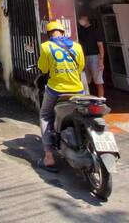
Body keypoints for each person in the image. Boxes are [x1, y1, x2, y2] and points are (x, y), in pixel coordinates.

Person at [37, 19, 85, 172]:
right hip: (77, 89)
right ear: (63, 32)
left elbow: (43, 69)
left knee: (45, 115)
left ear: (49, 34)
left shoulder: (46, 47)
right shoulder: (77, 46)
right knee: (80, 113)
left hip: (56, 89)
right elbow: (81, 67)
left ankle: (49, 155)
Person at [77, 13, 105, 98]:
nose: (80, 20)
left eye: (82, 18)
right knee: (85, 81)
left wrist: (101, 61)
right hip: (83, 57)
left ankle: (101, 100)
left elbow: (100, 46)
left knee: (98, 81)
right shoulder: (80, 31)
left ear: (86, 18)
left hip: (94, 57)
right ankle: (87, 100)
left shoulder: (95, 30)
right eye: (80, 19)